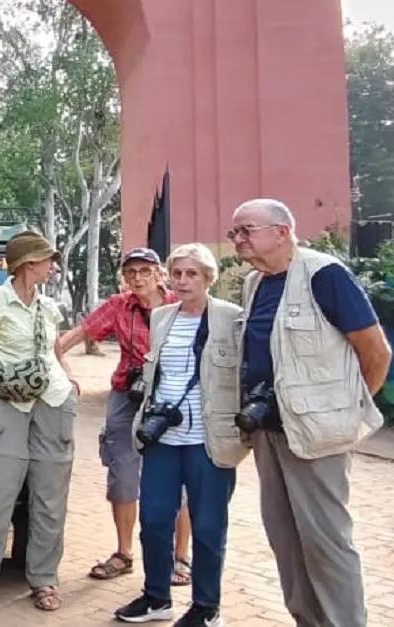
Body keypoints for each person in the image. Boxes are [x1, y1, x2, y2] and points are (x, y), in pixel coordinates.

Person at [230, 199, 390, 627]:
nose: (238, 240)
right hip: (268, 430)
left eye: (247, 230)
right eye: (235, 233)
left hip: (317, 435)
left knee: (327, 543)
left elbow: (375, 351)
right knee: (285, 539)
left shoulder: (325, 274)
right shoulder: (255, 283)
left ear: (282, 232)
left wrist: (345, 412)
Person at [113, 244, 248, 626]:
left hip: (208, 439)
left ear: (208, 278)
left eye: (192, 274)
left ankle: (207, 606)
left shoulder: (231, 318)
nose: (184, 281)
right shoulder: (162, 316)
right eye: (177, 273)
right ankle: (156, 596)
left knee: (208, 525)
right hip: (163, 438)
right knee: (154, 519)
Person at [57, 249, 194, 585]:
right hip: (128, 393)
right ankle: (124, 553)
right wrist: (63, 369)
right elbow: (73, 337)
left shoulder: (181, 303)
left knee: (179, 473)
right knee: (122, 472)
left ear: (159, 274)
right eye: (131, 272)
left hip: (171, 395)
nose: (138, 278)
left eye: (145, 271)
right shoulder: (119, 305)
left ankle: (180, 557)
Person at [0, 231, 77, 613]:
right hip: (8, 404)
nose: (53, 267)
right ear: (28, 264)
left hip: (53, 402)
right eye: (48, 260)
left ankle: (44, 579)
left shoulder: (50, 306)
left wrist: (69, 376)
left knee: (49, 499)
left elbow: (54, 347)